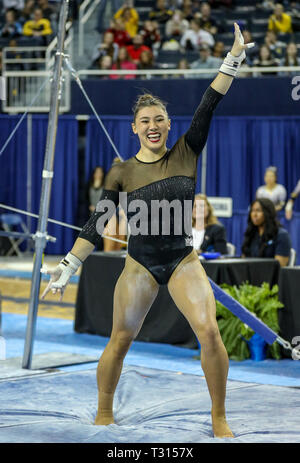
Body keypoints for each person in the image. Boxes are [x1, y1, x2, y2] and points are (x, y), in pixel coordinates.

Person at [42, 23, 254, 438]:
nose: (152, 125)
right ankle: (104, 410)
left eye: (159, 119)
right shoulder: (122, 170)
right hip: (139, 263)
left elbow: (209, 104)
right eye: (144, 121)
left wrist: (232, 59)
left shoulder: (187, 151)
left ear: (169, 125)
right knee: (120, 338)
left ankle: (219, 416)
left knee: (209, 331)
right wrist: (68, 265)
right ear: (134, 128)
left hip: (181, 260)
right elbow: (97, 221)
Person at [241, 198, 291, 267]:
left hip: (270, 276)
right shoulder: (251, 234)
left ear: (268, 213)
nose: (254, 214)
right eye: (252, 211)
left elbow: (280, 266)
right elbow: (244, 260)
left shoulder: (281, 235)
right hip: (250, 275)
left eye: (258, 211)